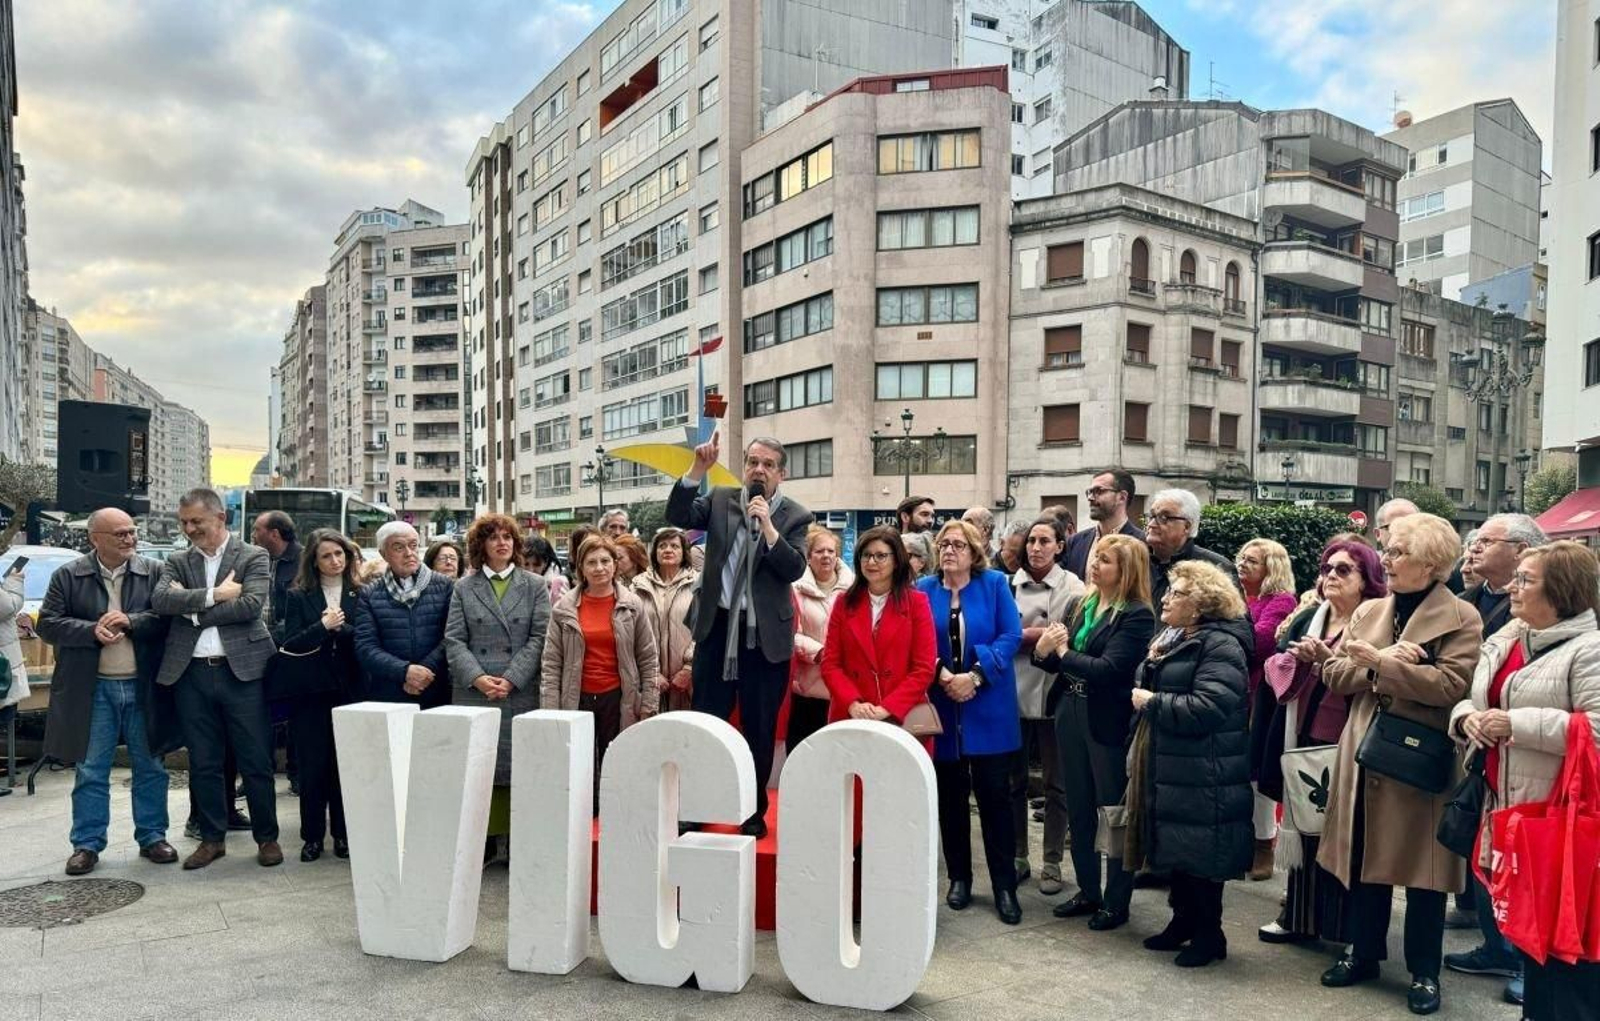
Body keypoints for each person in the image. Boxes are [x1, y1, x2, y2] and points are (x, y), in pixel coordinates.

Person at [1318, 513, 1480, 1016]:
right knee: (1364, 857)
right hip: (1364, 750)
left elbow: (1450, 687)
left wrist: (1378, 662)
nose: (1385, 560)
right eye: (1387, 551)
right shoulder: (1371, 610)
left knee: (1424, 872)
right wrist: (1384, 662)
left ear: (1431, 564)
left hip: (1419, 757)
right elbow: (1334, 673)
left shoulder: (1462, 616)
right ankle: (1362, 953)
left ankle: (1425, 972)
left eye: (1397, 552)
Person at [1449, 540, 1600, 1020]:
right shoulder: (1510, 636)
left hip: (1558, 818)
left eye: (1526, 579)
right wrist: (1465, 719)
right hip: (1508, 809)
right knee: (1533, 936)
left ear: (1561, 590)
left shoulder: (1589, 650)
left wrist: (1515, 724)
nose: (1512, 587)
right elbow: (1474, 697)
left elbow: (1597, 730)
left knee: (1566, 947)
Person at [665, 433, 811, 838]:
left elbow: (794, 568)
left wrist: (768, 528)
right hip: (718, 629)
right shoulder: (721, 500)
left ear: (781, 474)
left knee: (758, 727)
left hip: (764, 639)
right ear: (744, 466)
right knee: (707, 722)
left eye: (768, 464)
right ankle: (699, 805)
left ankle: (752, 810)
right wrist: (698, 469)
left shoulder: (796, 516)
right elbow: (677, 513)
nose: (758, 470)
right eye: (752, 462)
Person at [1254, 539, 1385, 945]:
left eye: (1343, 570)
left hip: (1351, 739)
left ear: (1367, 578)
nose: (1331, 576)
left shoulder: (1377, 620)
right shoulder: (1310, 616)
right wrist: (1293, 660)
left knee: (1344, 835)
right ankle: (1299, 917)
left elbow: (1374, 678)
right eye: (1327, 568)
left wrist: (1325, 660)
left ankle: (1341, 926)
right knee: (1305, 829)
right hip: (1301, 732)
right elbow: (1274, 664)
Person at [1125, 560, 1254, 967]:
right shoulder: (1175, 636)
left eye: (1177, 593)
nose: (1165, 598)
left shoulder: (1221, 645)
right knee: (1180, 849)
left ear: (1201, 605)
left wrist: (1153, 702)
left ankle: (1209, 935)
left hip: (1206, 769)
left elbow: (1209, 706)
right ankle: (1182, 922)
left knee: (1201, 854)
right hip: (1177, 764)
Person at [37, 508, 179, 875]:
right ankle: (86, 844)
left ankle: (153, 836)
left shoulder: (155, 571)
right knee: (90, 769)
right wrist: (89, 631)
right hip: (93, 688)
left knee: (151, 766)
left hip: (143, 686)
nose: (130, 539)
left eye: (132, 531)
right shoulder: (69, 575)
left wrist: (132, 621)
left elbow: (169, 619)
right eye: (120, 534)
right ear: (94, 538)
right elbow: (48, 625)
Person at [152, 488, 281, 870]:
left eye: (197, 521)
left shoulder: (253, 555)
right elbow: (160, 601)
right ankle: (212, 839)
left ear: (220, 518)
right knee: (204, 762)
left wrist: (192, 611)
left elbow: (250, 606)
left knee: (255, 759)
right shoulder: (177, 560)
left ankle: (267, 837)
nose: (189, 529)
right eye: (184, 522)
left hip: (243, 673)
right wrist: (215, 594)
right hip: (191, 674)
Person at [1032, 533, 1155, 929]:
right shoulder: (1081, 603)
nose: (1094, 564)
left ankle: (1116, 901)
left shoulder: (1137, 614)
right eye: (1095, 557)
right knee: (1079, 806)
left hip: (1106, 718)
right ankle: (1089, 890)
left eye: (1105, 560)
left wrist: (1063, 652)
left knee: (1112, 810)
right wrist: (1044, 651)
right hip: (1069, 708)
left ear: (1126, 570)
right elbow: (1056, 662)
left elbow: (1108, 670)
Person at [1447, 514, 1547, 948]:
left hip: (1527, 756)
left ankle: (1515, 949)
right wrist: (1465, 715)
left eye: (1486, 541)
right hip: (1480, 746)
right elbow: (1476, 682)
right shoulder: (1465, 599)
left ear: (1522, 551)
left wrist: (1512, 721)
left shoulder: (1556, 628)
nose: (1473, 548)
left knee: (1520, 849)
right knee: (1479, 834)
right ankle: (1492, 936)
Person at [919, 519, 1025, 925]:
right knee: (950, 800)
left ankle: (1004, 886)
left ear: (974, 551)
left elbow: (1010, 635)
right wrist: (943, 675)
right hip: (943, 706)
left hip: (988, 706)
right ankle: (959, 878)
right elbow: (916, 640)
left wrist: (975, 677)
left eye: (958, 545)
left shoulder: (994, 584)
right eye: (944, 544)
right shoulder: (923, 589)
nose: (949, 550)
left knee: (995, 800)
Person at [445, 514, 551, 850]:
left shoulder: (535, 585)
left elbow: (540, 637)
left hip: (518, 688)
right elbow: (454, 639)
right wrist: (477, 678)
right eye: (493, 537)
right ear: (481, 545)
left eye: (507, 537)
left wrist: (511, 678)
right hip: (475, 690)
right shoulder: (463, 587)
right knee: (479, 768)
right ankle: (484, 841)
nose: (502, 543)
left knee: (517, 765)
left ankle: (515, 840)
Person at [541, 534, 658, 809]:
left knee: (616, 761)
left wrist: (649, 703)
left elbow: (648, 657)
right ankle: (584, 814)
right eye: (591, 562)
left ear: (615, 565)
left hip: (618, 697)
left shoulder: (632, 605)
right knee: (578, 764)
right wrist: (550, 708)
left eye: (605, 561)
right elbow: (551, 662)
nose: (599, 568)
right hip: (577, 697)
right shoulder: (563, 609)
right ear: (580, 568)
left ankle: (613, 813)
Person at [1008, 516, 1084, 894]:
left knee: (1057, 784)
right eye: (1031, 541)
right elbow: (1000, 634)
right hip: (1013, 694)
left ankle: (1052, 861)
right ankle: (1018, 854)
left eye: (1044, 541)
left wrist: (1022, 637)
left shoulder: (1074, 586)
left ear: (1060, 546)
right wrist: (1038, 636)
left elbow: (1072, 635)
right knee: (1014, 781)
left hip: (1056, 692)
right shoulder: (1008, 584)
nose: (1036, 548)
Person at [277, 528, 363, 862]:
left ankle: (343, 834)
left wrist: (340, 628)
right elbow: (291, 642)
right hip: (310, 693)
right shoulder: (298, 595)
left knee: (345, 766)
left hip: (349, 691)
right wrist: (322, 627)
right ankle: (312, 837)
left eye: (339, 554)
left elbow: (366, 638)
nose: (335, 560)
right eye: (326, 555)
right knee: (312, 767)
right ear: (313, 561)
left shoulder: (360, 592)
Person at [819, 526, 936, 731]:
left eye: (880, 556)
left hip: (901, 716)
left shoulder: (917, 603)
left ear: (897, 560)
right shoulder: (844, 602)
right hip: (850, 714)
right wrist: (853, 703)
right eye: (866, 555)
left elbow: (924, 668)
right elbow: (830, 663)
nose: (871, 562)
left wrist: (887, 708)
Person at [1237, 538, 1300, 881]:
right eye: (1242, 558)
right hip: (1234, 692)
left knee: (1257, 773)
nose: (1242, 564)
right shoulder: (1240, 598)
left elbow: (1259, 642)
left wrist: (1227, 626)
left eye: (1252, 561)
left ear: (1271, 568)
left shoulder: (1282, 601)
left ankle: (1264, 844)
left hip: (1261, 697)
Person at [354, 521, 454, 709]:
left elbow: (452, 636)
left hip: (436, 688)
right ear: (383, 554)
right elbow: (365, 647)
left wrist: (425, 671)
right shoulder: (370, 594)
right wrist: (404, 672)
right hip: (390, 692)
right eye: (399, 547)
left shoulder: (444, 586)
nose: (409, 553)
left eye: (413, 545)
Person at [787, 525, 852, 749]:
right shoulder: (793, 588)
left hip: (843, 687)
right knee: (804, 750)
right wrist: (819, 652)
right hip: (806, 687)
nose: (826, 556)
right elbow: (788, 634)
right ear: (808, 556)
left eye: (831, 551)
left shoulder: (855, 589)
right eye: (819, 551)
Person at [633, 527, 697, 713]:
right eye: (662, 546)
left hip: (690, 680)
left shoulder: (699, 584)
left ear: (684, 552)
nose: (668, 550)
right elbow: (631, 632)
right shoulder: (637, 585)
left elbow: (706, 629)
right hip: (648, 679)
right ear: (654, 552)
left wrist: (689, 668)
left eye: (674, 546)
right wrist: (651, 672)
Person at [1143, 488, 1236, 604]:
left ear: (1187, 526)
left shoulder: (1216, 567)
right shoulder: (1135, 562)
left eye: (1164, 518)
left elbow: (1234, 613)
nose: (1151, 524)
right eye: (1151, 516)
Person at [1063, 469, 1145, 580]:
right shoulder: (1075, 542)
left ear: (1122, 497)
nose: (1090, 498)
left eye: (1099, 491)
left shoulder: (1141, 543)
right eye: (1089, 492)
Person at [252, 511, 301, 644]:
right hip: (258, 638)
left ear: (274, 534)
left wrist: (274, 637)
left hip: (286, 641)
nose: (253, 535)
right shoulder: (256, 559)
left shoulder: (304, 561)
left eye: (257, 530)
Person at [525, 534, 569, 602]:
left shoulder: (557, 589)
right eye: (526, 564)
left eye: (536, 565)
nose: (531, 570)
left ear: (545, 563)